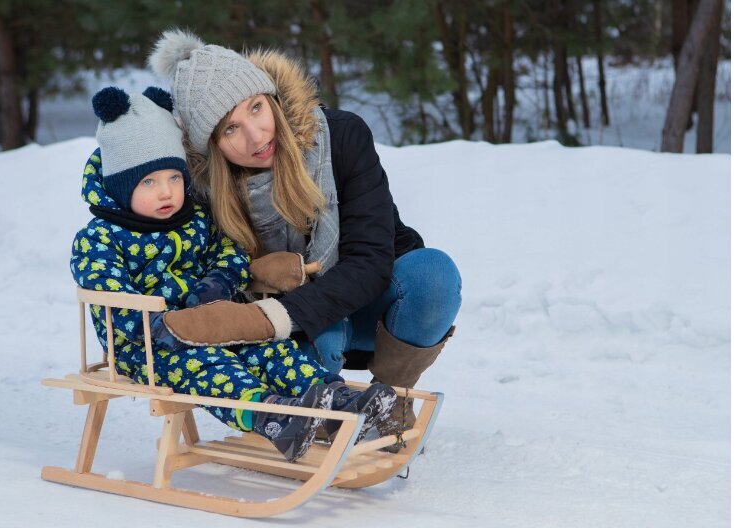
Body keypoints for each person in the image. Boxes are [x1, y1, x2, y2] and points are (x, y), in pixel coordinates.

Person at [139, 29, 464, 449]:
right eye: (231, 129)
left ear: (270, 97)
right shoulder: (204, 189)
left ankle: (391, 398)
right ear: (213, 146)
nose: (256, 137)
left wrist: (276, 315)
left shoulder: (342, 136)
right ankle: (313, 415)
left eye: (256, 108)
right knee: (321, 337)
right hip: (285, 329)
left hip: (364, 304)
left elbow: (370, 262)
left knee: (433, 275)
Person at [71, 85, 395, 462]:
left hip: (211, 323)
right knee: (212, 366)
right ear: (121, 187)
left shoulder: (193, 221)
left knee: (270, 350)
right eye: (149, 182)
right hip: (148, 345)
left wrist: (218, 282)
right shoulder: (100, 240)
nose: (166, 193)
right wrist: (161, 324)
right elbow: (111, 300)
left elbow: (230, 252)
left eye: (174, 178)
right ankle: (270, 416)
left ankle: (335, 397)